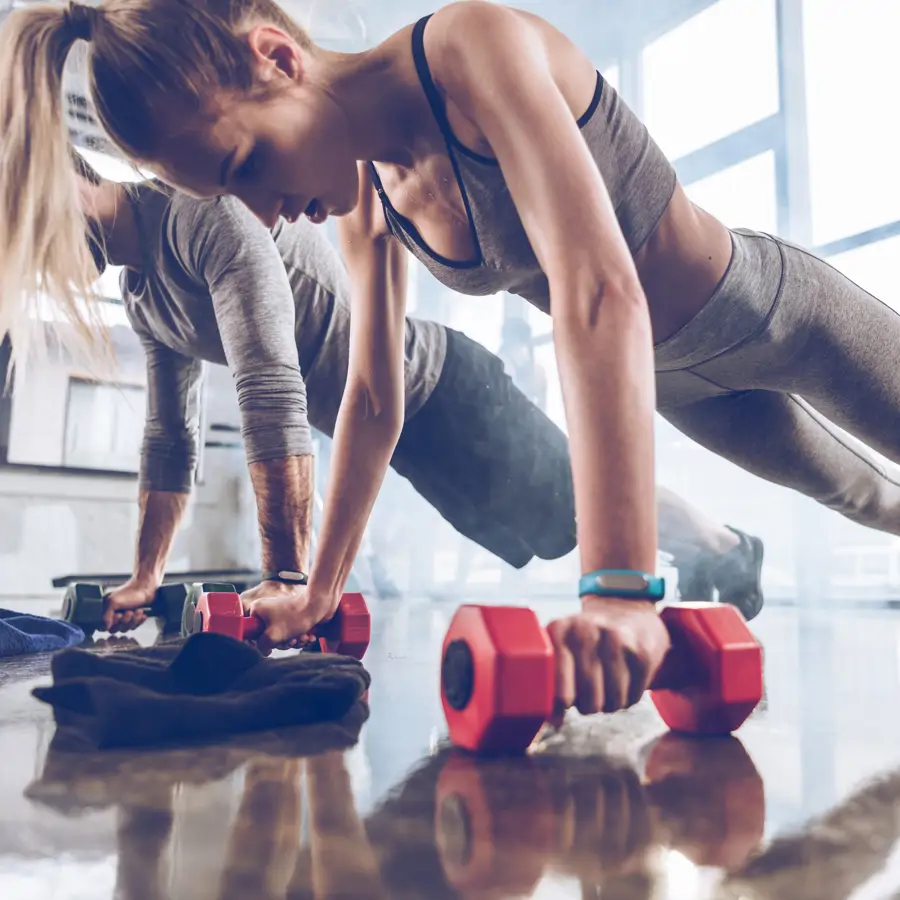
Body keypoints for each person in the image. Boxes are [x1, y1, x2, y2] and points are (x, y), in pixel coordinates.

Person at [11, 1, 877, 720]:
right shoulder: (365, 203)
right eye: (226, 193)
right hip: (684, 388)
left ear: (277, 56)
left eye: (248, 164)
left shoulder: (468, 49)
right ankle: (748, 546)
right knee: (867, 498)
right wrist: (316, 590)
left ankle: (712, 549)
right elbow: (370, 400)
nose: (261, 215)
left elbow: (598, 285)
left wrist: (617, 587)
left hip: (774, 313)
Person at [73, 155, 763, 625]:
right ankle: (701, 549)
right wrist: (145, 577)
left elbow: (270, 384)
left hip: (446, 390)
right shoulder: (143, 297)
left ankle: (731, 547)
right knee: (561, 529)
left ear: (67, 182)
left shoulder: (200, 213)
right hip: (394, 429)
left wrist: (288, 575)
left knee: (581, 503)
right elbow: (169, 440)